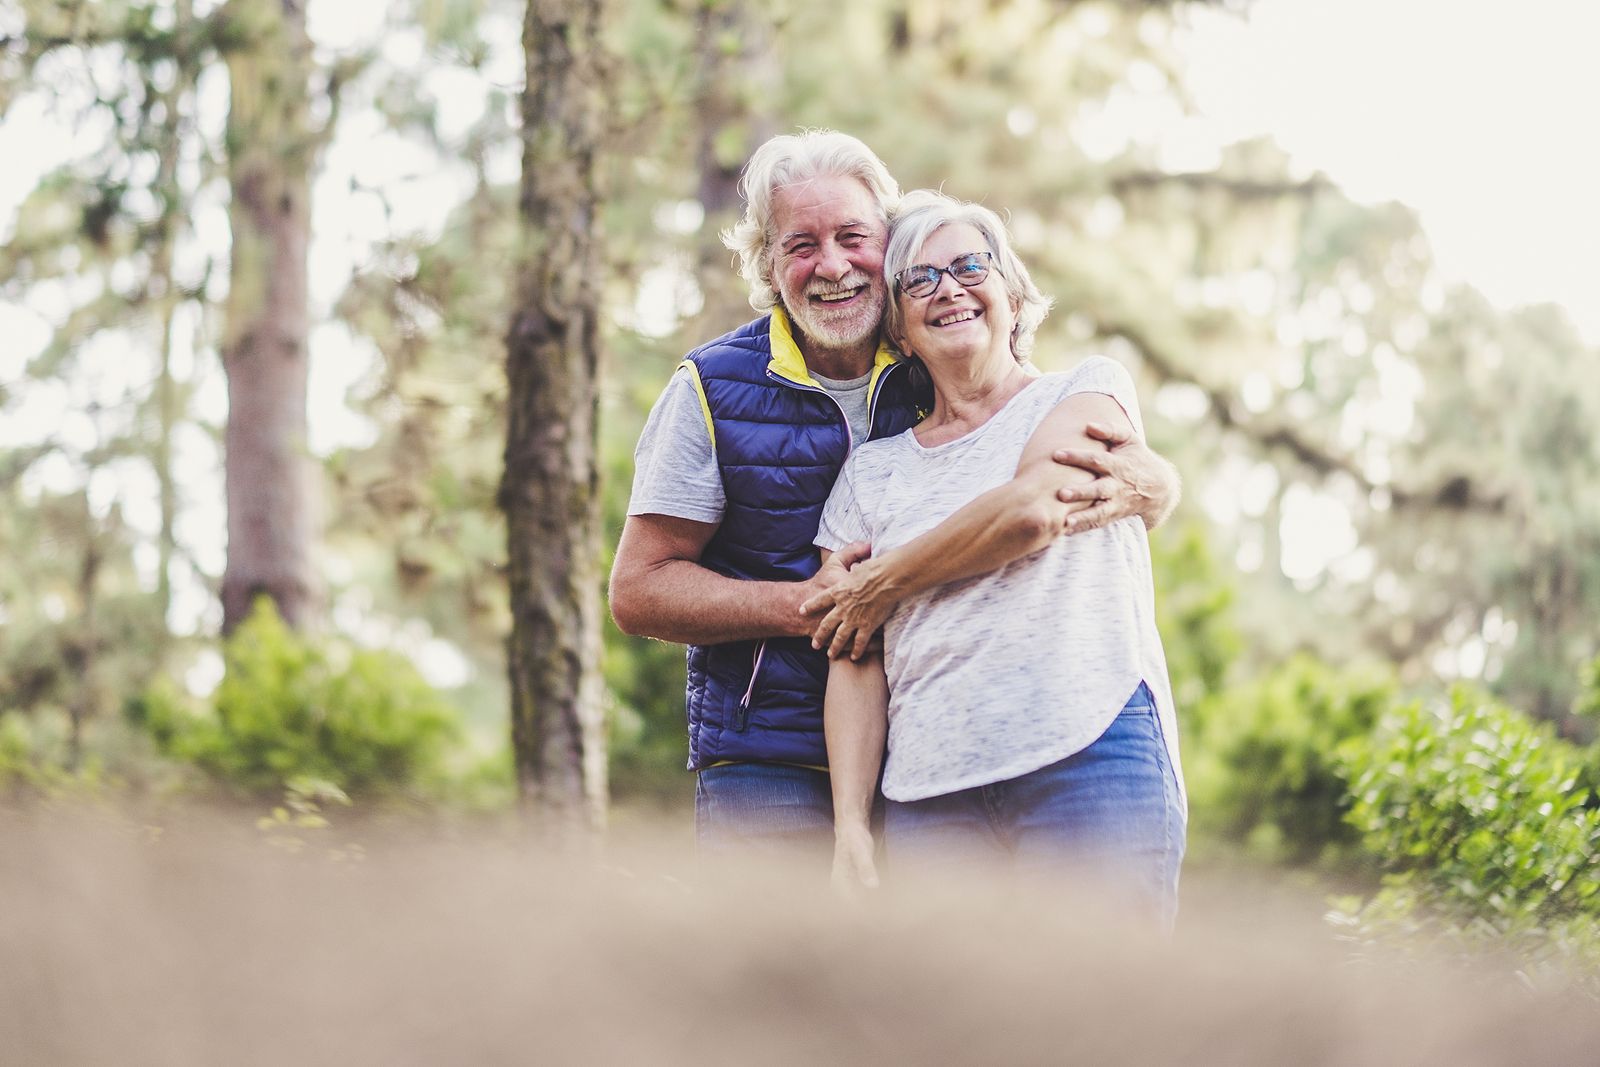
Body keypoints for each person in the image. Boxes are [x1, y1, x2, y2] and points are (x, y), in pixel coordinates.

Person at [608, 130, 1180, 863]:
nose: (834, 265)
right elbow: (636, 590)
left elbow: (1033, 457)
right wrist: (805, 603)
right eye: (801, 244)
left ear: (889, 244)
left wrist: (1158, 483)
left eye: (854, 236)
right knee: (770, 972)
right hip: (771, 757)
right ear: (769, 262)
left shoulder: (933, 359)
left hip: (929, 750)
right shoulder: (710, 389)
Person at [817, 190, 1185, 928]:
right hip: (930, 798)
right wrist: (852, 821)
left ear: (1013, 296)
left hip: (1087, 755)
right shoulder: (871, 471)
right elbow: (852, 647)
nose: (947, 287)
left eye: (968, 265)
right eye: (919, 279)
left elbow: (1031, 511)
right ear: (899, 326)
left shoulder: (1086, 389)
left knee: (1106, 1020)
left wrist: (886, 581)